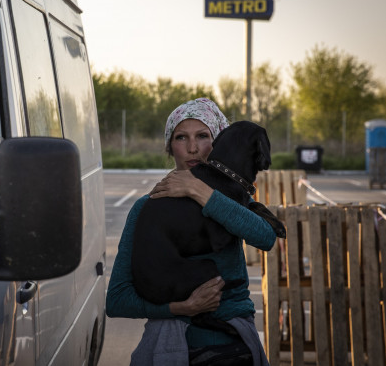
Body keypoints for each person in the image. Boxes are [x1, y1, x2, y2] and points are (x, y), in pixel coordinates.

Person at [106, 97, 275, 366]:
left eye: (203, 136)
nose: (193, 148)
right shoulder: (149, 207)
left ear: (218, 143)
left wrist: (200, 191)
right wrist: (180, 308)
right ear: (170, 148)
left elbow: (265, 237)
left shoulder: (228, 200)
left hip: (235, 344)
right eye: (181, 137)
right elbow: (117, 300)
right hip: (169, 347)